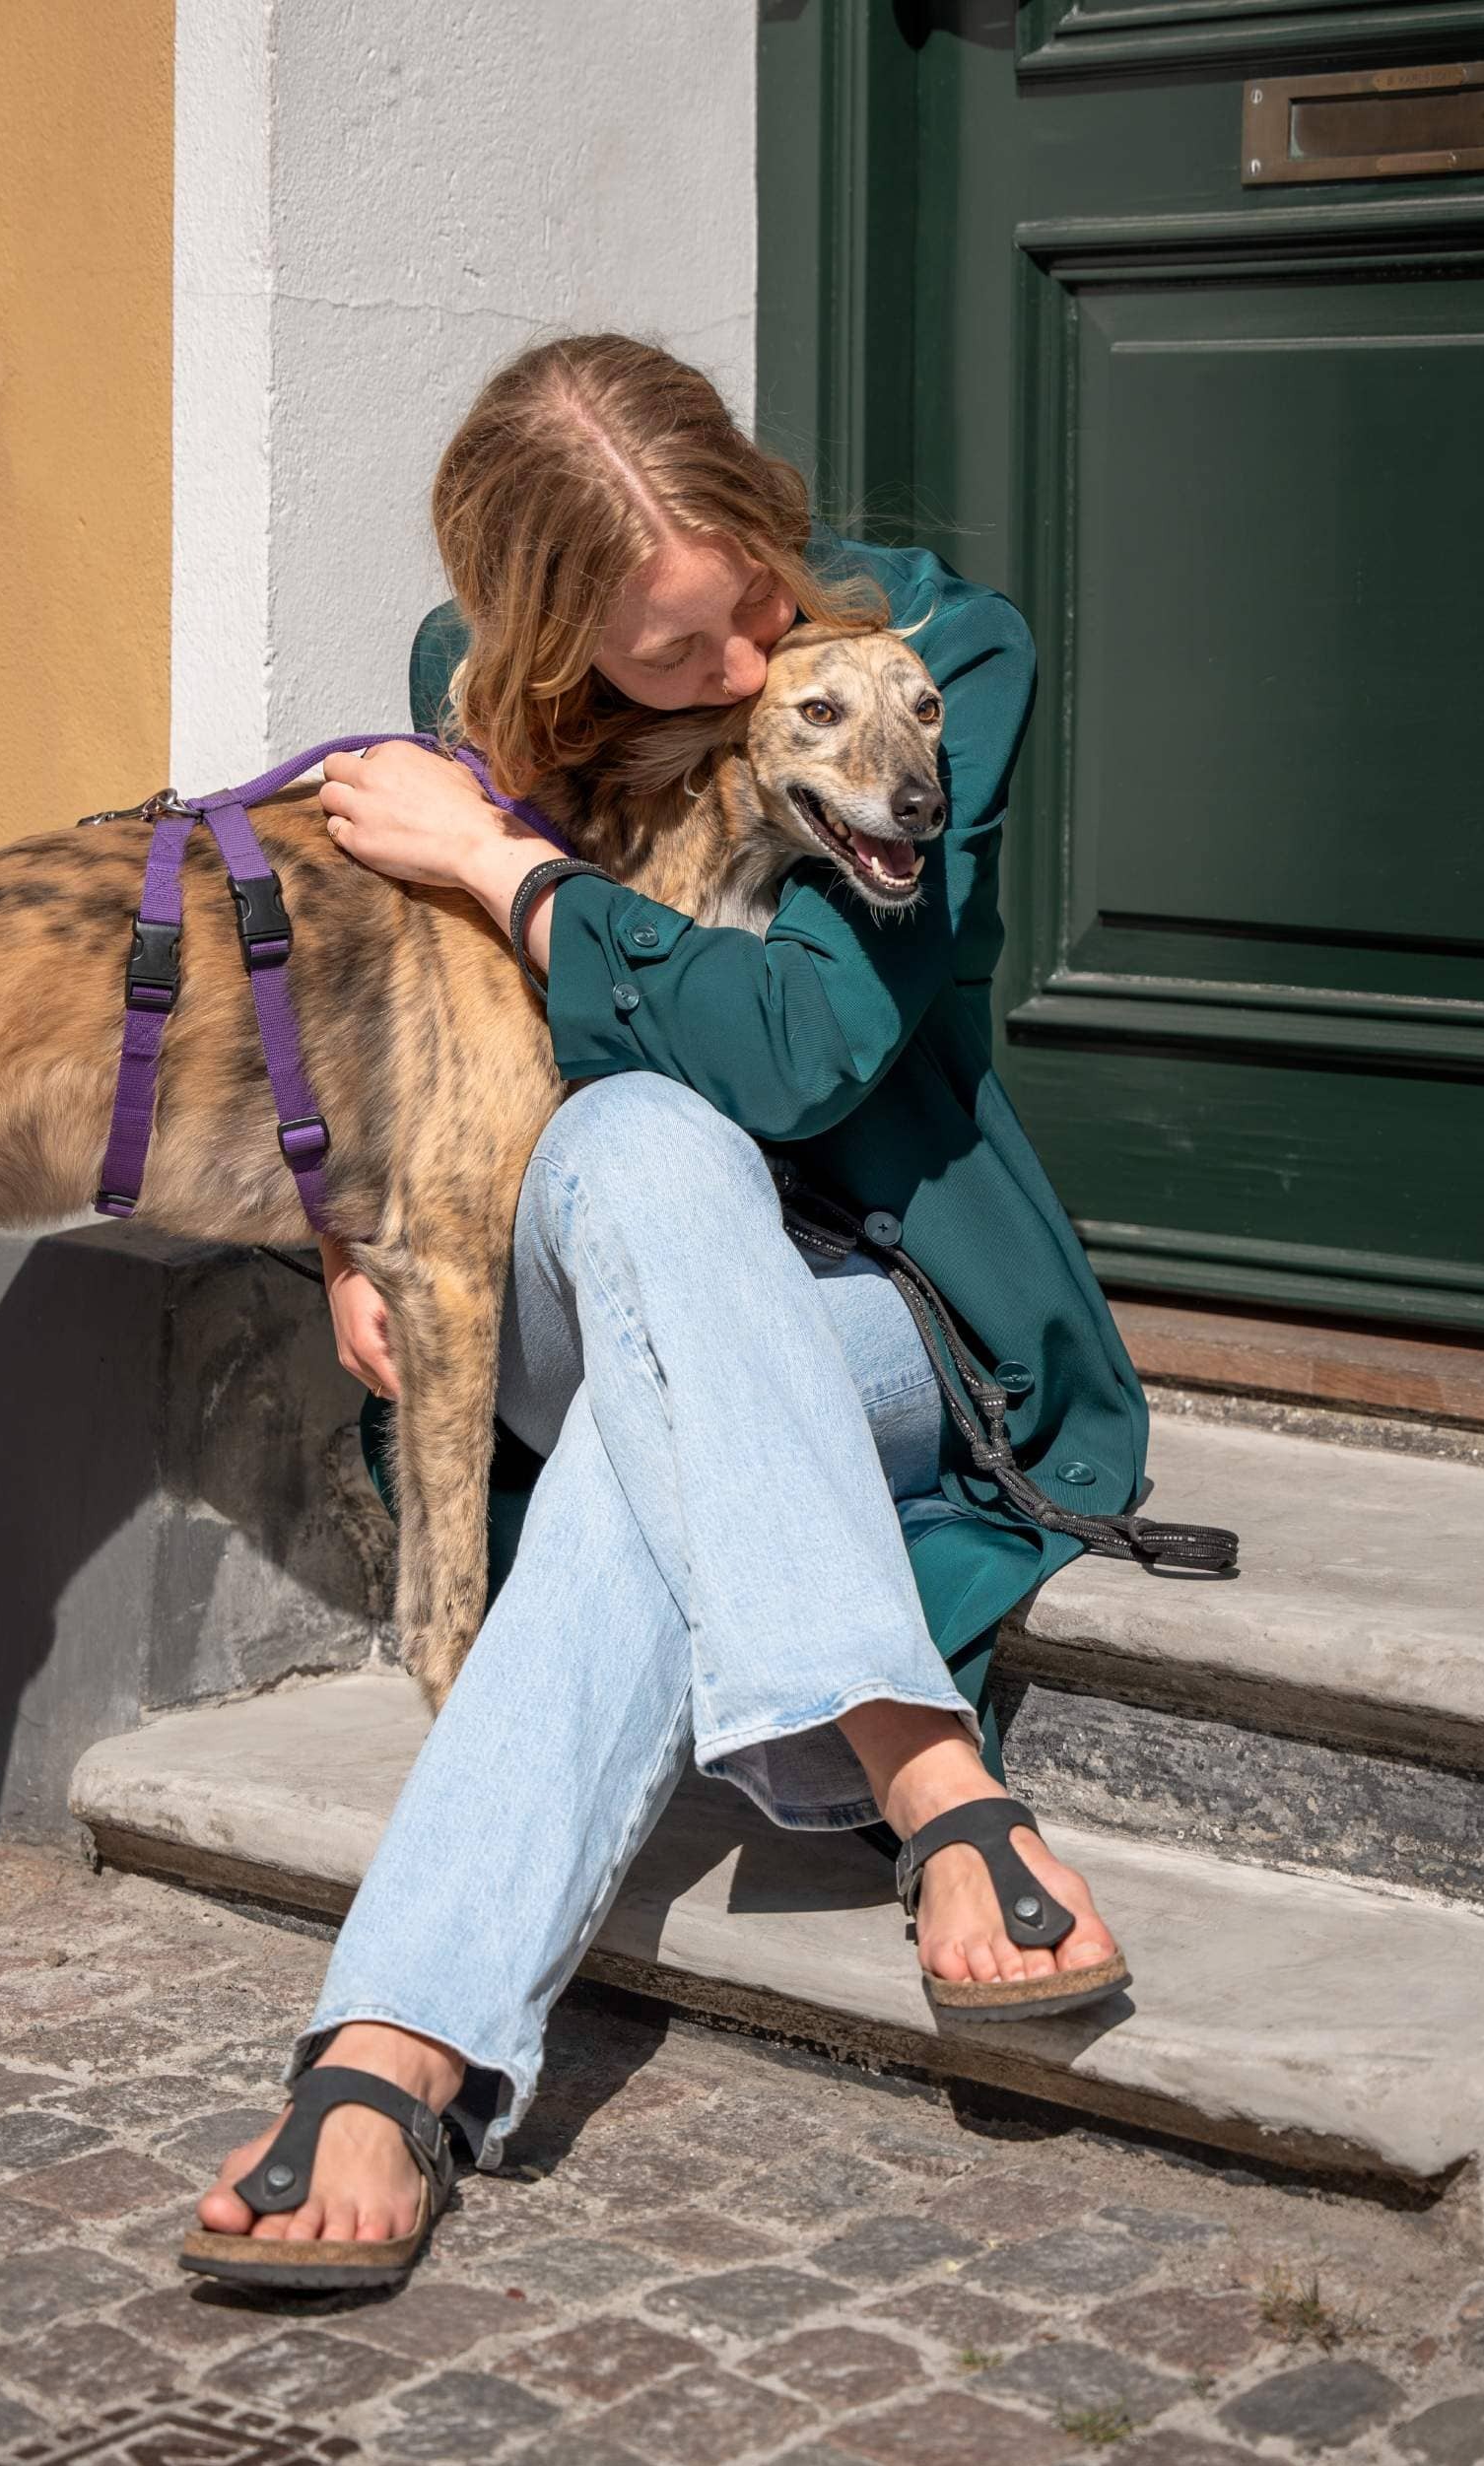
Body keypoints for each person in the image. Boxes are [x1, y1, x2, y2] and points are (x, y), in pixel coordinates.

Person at [183, 334, 1148, 2289]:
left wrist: (507, 864)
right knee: (630, 1142)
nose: (733, 669)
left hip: (893, 1316)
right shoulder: (471, 695)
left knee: (651, 1212)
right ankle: (927, 1770)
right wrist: (347, 1236)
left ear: (767, 517)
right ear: (555, 647)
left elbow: (803, 1047)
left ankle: (398, 2038)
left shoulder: (940, 658)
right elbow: (395, 1008)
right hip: (569, 1269)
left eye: (750, 606)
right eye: (666, 655)